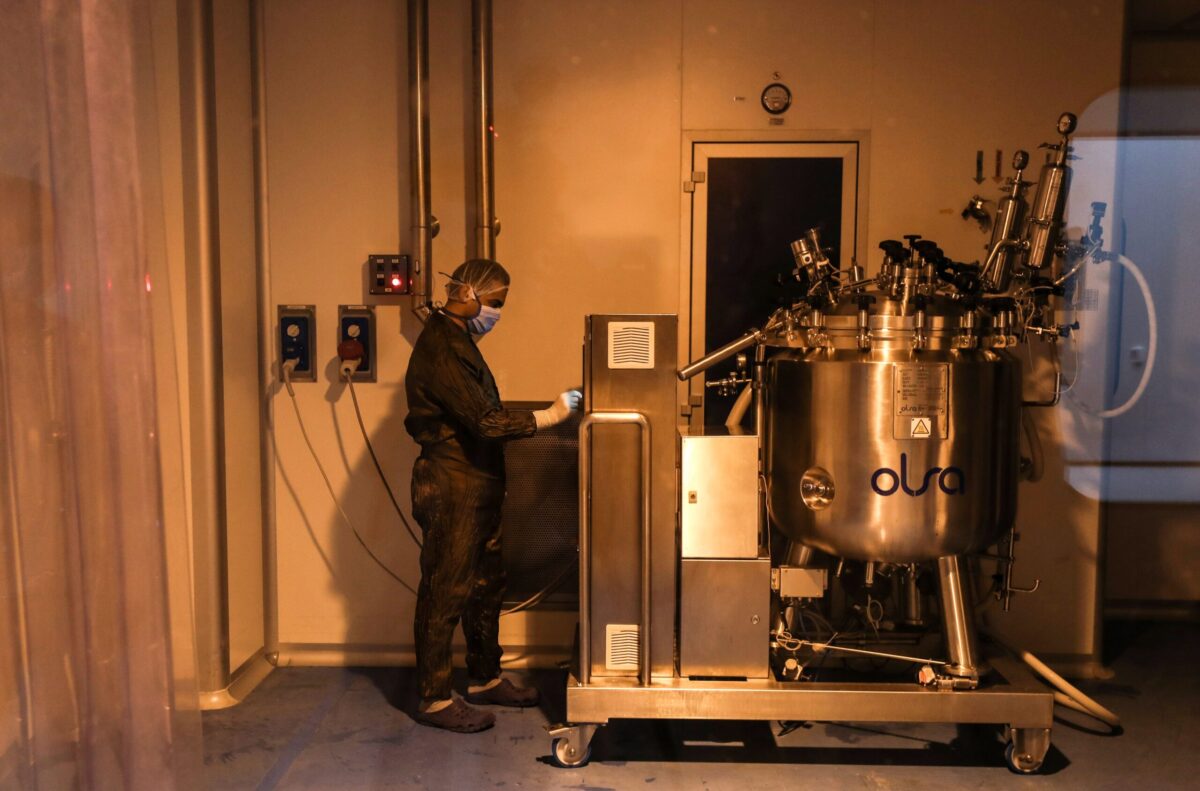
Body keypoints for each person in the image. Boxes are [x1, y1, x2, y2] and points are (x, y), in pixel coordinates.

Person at [403, 258, 581, 733]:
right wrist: (549, 416)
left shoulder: (461, 342)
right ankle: (435, 698)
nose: (497, 312)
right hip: (452, 482)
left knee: (486, 586)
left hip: (477, 481)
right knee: (446, 590)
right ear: (466, 293)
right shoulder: (441, 347)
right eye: (495, 302)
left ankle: (484, 678)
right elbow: (485, 420)